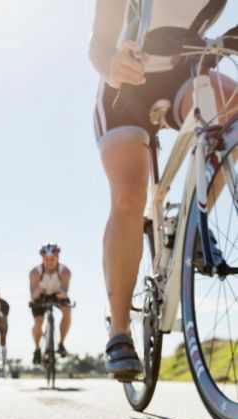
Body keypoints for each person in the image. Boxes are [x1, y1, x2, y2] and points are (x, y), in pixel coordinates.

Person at [90, 0, 235, 380]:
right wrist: (110, 63)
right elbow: (99, 42)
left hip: (185, 74)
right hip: (124, 91)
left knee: (234, 109)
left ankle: (190, 221)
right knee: (129, 196)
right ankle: (119, 330)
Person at [29, 244, 71, 365]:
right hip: (40, 296)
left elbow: (64, 291)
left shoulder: (65, 271)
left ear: (57, 257)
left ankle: (61, 343)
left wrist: (61, 294)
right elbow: (33, 295)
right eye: (46, 259)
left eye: (52, 259)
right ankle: (37, 349)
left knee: (67, 312)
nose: (49, 262)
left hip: (57, 294)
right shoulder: (35, 272)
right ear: (42, 259)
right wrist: (38, 292)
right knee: (38, 321)